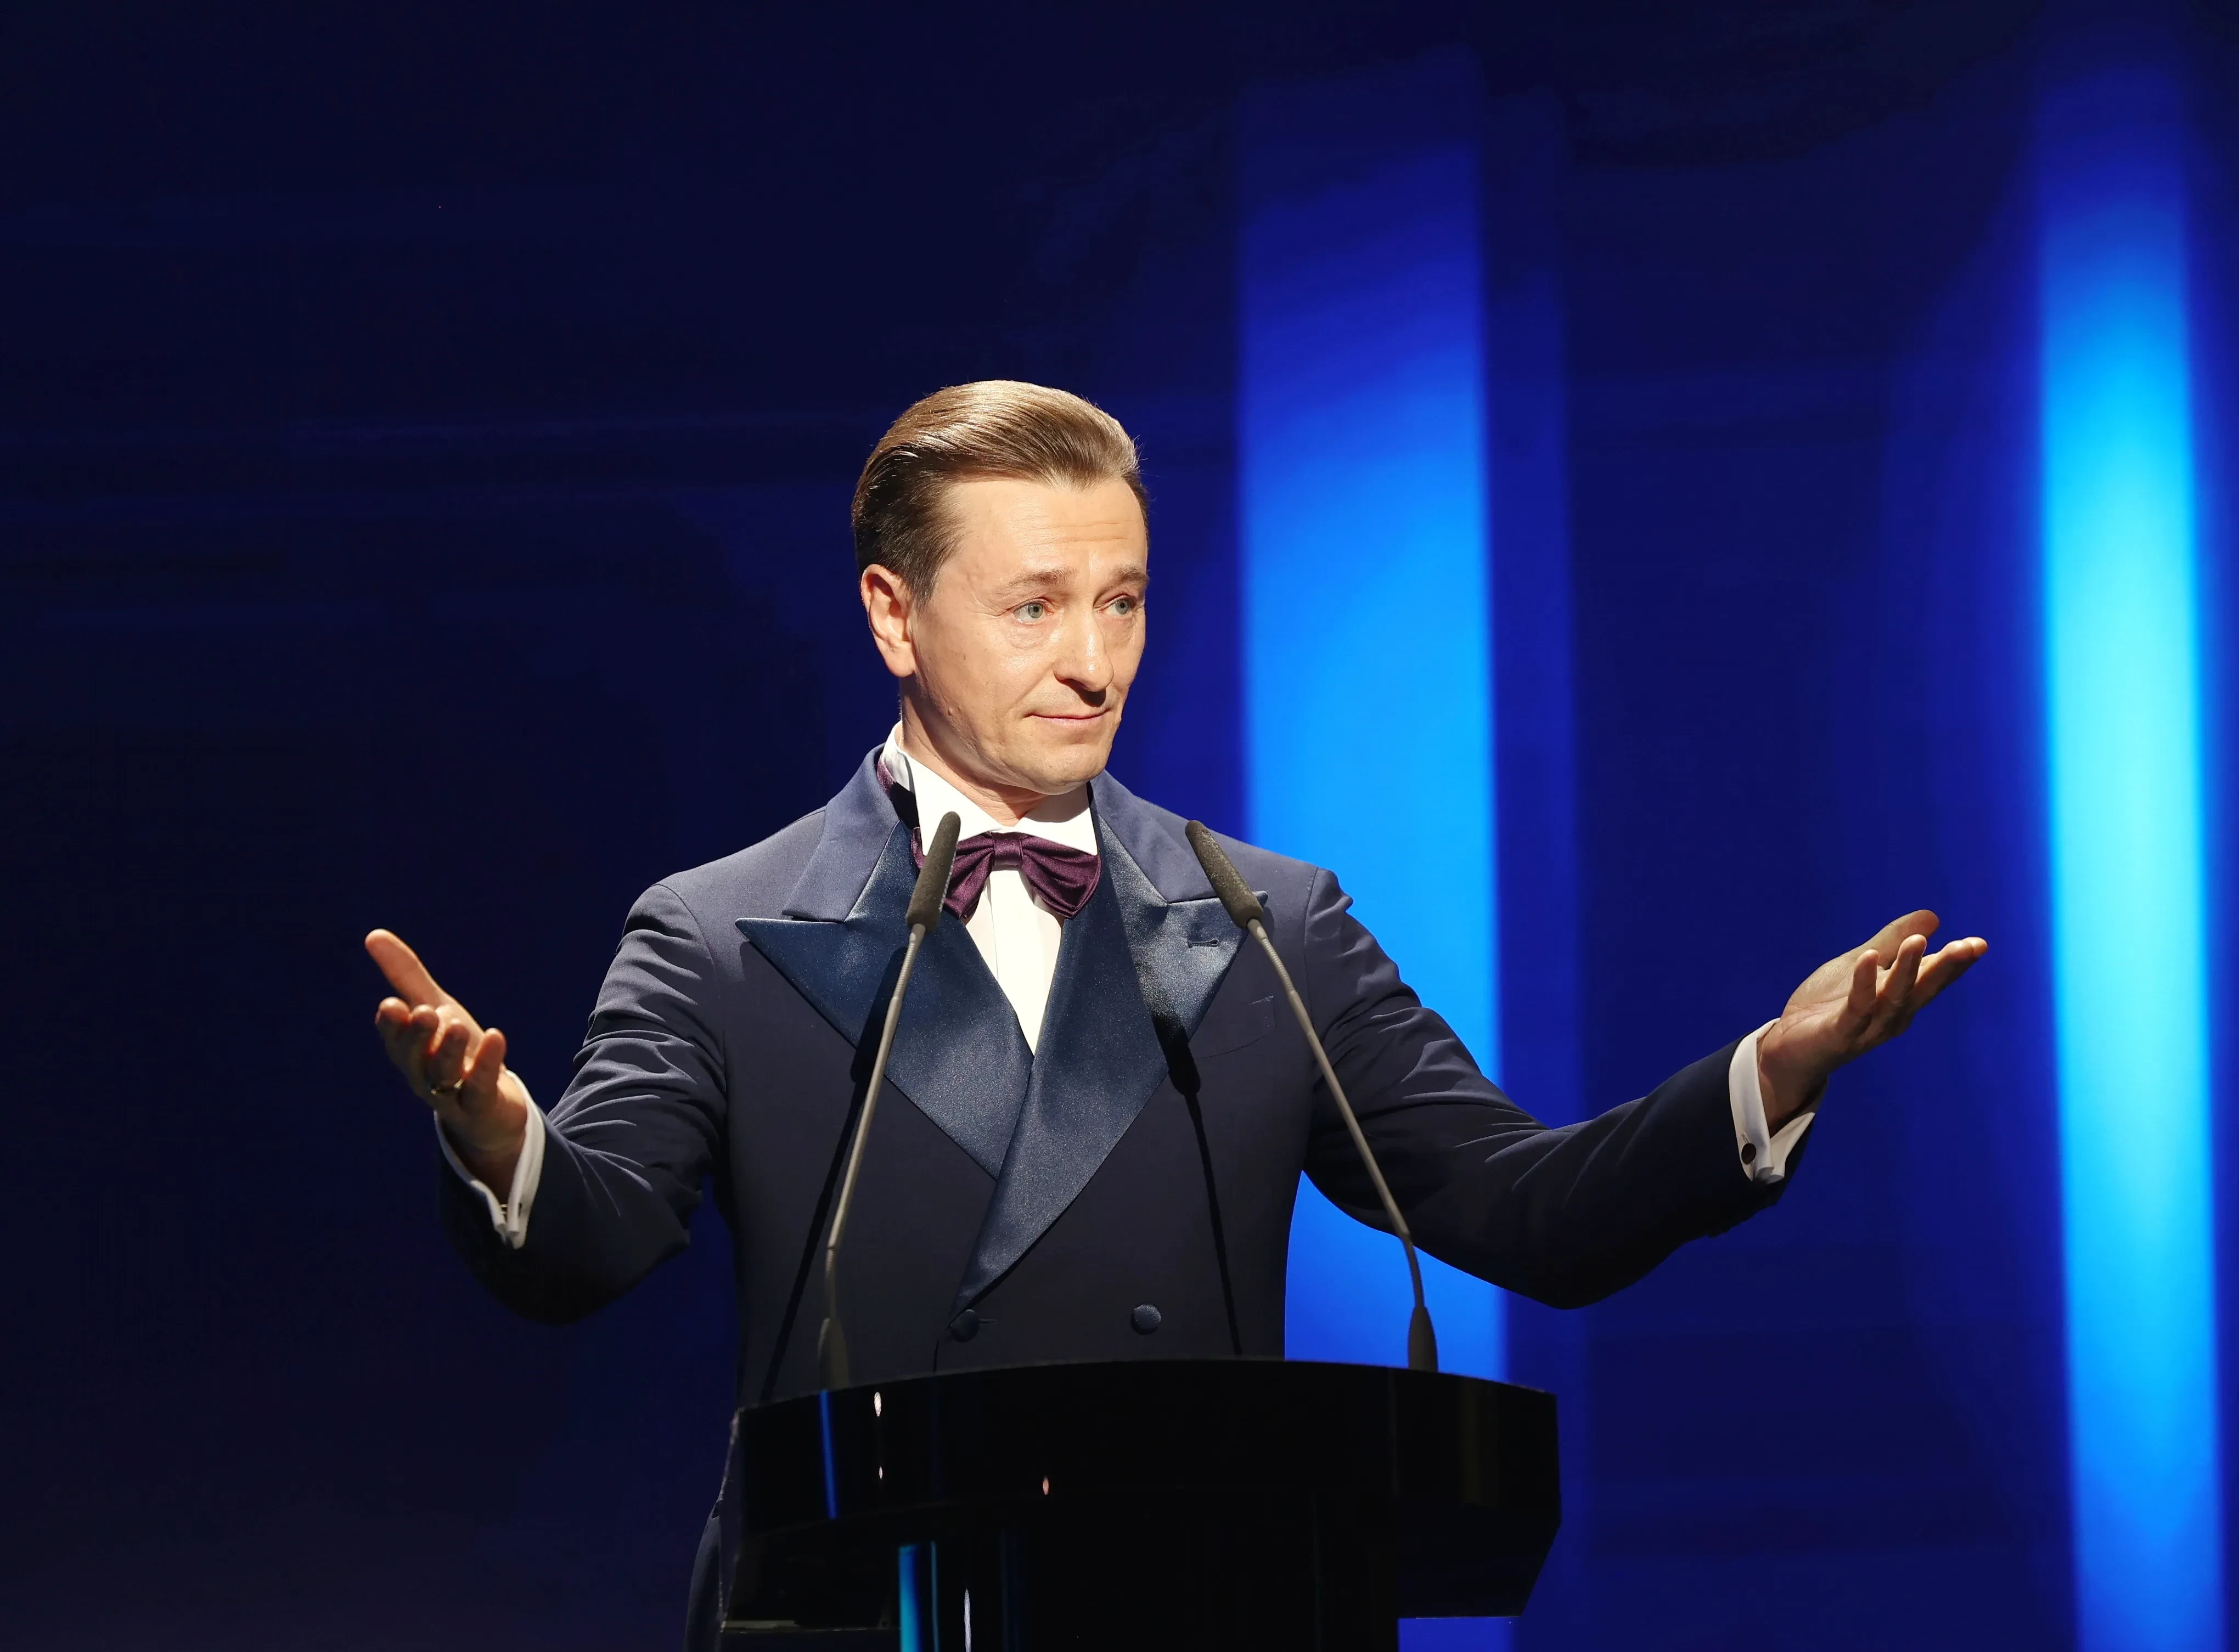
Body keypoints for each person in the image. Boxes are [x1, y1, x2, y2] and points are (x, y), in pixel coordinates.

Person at [364, 380, 1986, 1642]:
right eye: (1035, 606)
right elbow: (589, 1242)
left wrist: (1769, 1072)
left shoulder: (1271, 922)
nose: (1094, 662)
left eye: (1123, 601)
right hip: (871, 1615)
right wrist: (500, 1135)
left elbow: (1527, 1209)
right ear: (891, 616)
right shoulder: (721, 932)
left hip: (1216, 1609)